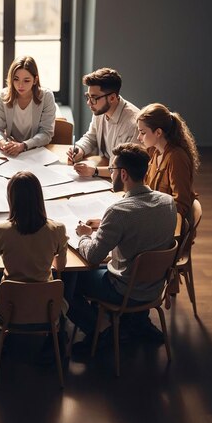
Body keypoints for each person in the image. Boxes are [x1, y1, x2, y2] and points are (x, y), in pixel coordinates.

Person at [67, 143, 177, 355]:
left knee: (67, 283)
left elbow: (92, 256)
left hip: (125, 289)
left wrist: (84, 236)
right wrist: (106, 225)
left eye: (112, 170)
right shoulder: (167, 202)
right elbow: (144, 228)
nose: (110, 173)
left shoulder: (119, 212)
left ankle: (101, 332)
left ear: (123, 174)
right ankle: (136, 322)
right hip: (154, 287)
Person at [0, 171, 68, 312]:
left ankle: (2, 321)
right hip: (45, 304)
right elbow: (59, 267)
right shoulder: (57, 229)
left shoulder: (0, 230)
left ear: (11, 199)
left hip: (12, 302)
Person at [67, 67, 140, 178]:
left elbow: (125, 169)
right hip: (105, 168)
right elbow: (91, 137)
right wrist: (79, 149)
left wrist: (95, 171)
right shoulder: (100, 109)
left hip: (122, 180)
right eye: (88, 96)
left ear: (112, 98)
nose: (89, 102)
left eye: (94, 98)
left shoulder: (133, 124)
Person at [136, 103, 200, 220]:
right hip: (154, 214)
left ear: (158, 132)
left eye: (143, 132)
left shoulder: (176, 158)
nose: (138, 137)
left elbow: (181, 205)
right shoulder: (153, 152)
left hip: (166, 223)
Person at [0, 56, 57, 156]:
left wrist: (23, 146)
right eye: (16, 79)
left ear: (35, 80)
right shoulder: (3, 96)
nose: (20, 85)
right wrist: (3, 144)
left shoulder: (46, 97)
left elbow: (46, 133)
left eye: (26, 80)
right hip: (11, 153)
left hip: (35, 153)